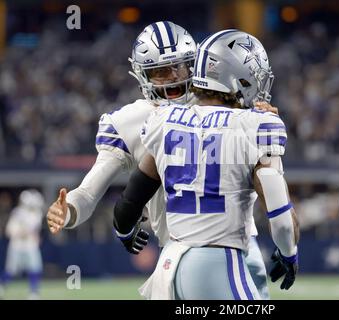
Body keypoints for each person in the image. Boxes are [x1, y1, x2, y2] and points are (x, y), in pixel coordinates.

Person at [45, 22, 275, 299]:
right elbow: (88, 192)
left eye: (180, 66)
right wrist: (67, 209)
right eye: (161, 71)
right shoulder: (130, 121)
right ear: (142, 74)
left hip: (238, 241)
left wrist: (260, 113)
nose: (173, 77)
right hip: (182, 249)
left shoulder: (223, 102)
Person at [113, 29, 300, 300]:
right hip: (218, 262)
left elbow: (129, 201)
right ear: (239, 77)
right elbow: (281, 218)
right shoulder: (257, 126)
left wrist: (125, 230)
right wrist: (289, 253)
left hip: (170, 267)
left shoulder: (165, 120)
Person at [0, 189, 45, 300]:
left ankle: (34, 292)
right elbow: (9, 231)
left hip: (30, 245)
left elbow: (35, 231)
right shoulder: (17, 213)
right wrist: (22, 232)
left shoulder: (37, 214)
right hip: (17, 245)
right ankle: (2, 286)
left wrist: (35, 236)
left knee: (35, 268)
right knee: (11, 270)